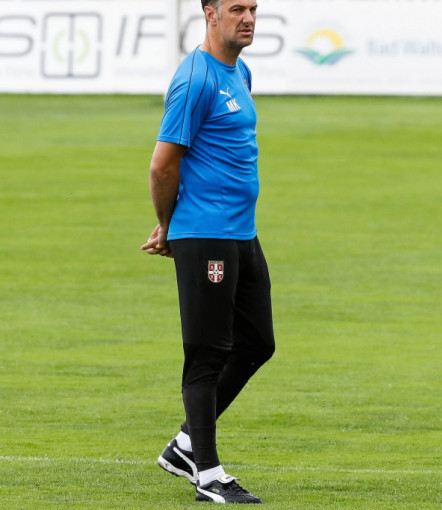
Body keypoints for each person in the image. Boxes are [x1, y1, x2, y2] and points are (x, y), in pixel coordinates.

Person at [141, 0, 273, 504]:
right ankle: (208, 474)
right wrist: (169, 225)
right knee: (207, 352)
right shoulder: (195, 80)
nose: (249, 18)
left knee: (257, 342)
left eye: (254, 8)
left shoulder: (241, 72)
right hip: (205, 233)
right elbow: (162, 164)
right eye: (237, 8)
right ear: (210, 13)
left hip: (241, 232)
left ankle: (184, 446)